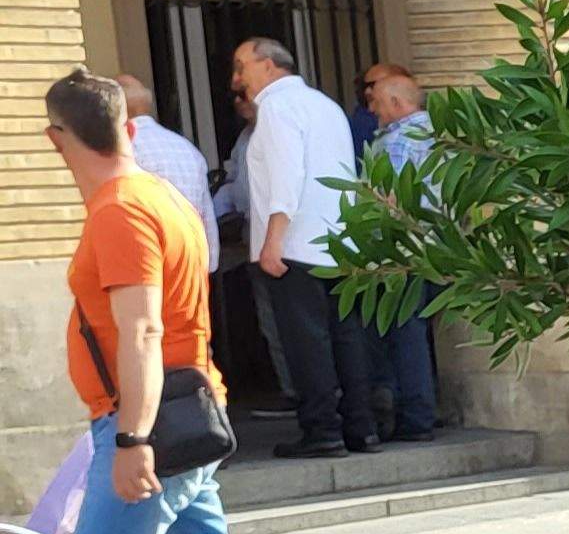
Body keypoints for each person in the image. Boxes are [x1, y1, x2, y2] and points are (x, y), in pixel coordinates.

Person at [45, 69, 225, 534]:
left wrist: (134, 439)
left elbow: (143, 330)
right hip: (186, 405)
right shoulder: (162, 195)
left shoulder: (120, 210)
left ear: (55, 139)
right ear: (127, 130)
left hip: (153, 418)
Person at [228, 37, 369, 458]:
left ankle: (322, 430)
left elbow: (286, 176)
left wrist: (273, 240)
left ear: (269, 66)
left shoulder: (276, 106)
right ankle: (361, 427)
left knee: (306, 344)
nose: (237, 78)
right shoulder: (324, 105)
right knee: (346, 338)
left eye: (241, 66)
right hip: (340, 242)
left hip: (298, 244)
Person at [336, 63, 441, 441]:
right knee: (419, 332)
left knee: (404, 332)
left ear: (397, 102)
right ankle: (424, 409)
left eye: (377, 103)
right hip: (442, 247)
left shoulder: (396, 141)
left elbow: (391, 201)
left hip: (404, 248)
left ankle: (416, 418)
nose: (373, 111)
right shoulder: (441, 133)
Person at [115, 75, 215, 261]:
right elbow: (206, 214)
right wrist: (209, 263)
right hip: (192, 261)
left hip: (148, 261)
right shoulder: (187, 148)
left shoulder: (123, 149)